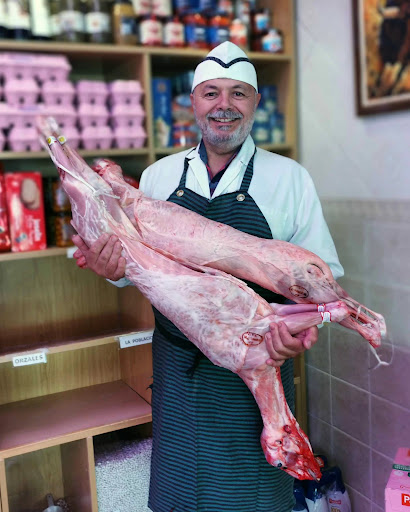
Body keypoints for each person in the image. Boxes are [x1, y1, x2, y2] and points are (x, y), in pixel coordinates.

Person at [73, 42, 344, 512]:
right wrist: (110, 269)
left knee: (253, 498)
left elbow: (324, 283)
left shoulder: (289, 179)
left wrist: (296, 333)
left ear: (256, 102)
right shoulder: (158, 177)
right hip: (179, 374)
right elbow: (138, 267)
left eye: (238, 93)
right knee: (179, 496)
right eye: (211, 93)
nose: (224, 106)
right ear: (193, 102)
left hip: (256, 374)